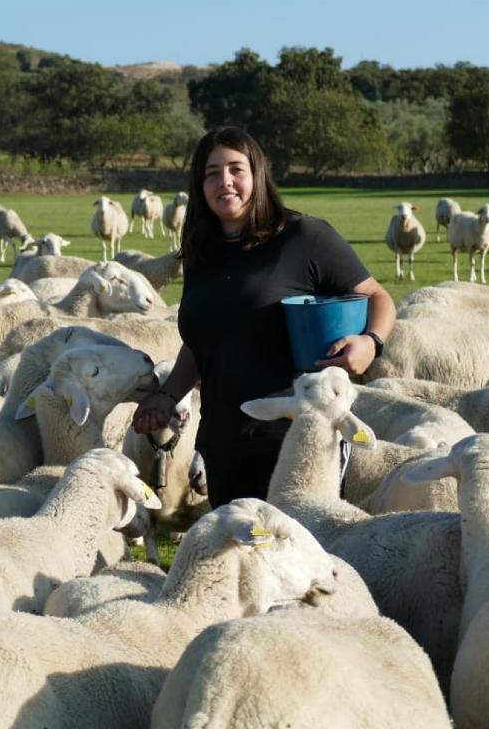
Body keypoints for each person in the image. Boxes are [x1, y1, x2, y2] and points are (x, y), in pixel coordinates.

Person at [132, 127, 395, 508]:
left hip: (296, 445)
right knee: (241, 558)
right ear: (199, 184)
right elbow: (204, 342)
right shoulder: (201, 253)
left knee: (296, 559)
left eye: (236, 169)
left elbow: (377, 296)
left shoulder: (303, 237)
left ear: (257, 174)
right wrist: (168, 395)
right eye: (212, 173)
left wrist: (371, 342)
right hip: (223, 445)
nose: (225, 182)